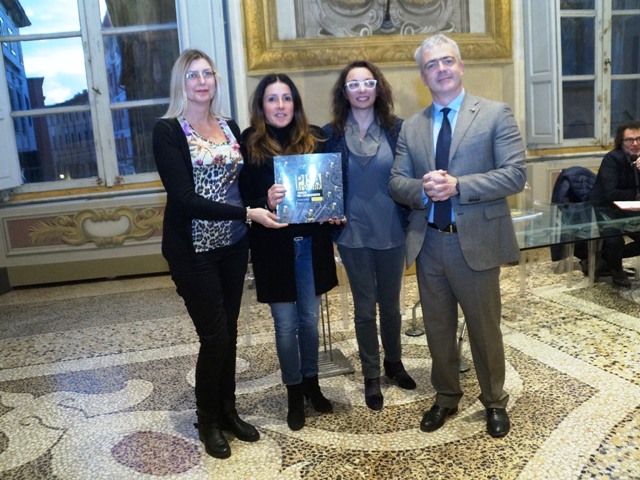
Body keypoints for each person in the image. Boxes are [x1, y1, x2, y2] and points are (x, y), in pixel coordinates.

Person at [389, 34, 526, 438]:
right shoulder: (412, 127)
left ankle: (494, 400)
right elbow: (396, 182)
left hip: (476, 242)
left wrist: (459, 185)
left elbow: (515, 174)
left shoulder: (495, 114)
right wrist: (423, 189)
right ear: (423, 76)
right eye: (431, 65)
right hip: (429, 242)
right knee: (437, 328)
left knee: (484, 329)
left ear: (461, 66)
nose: (441, 69)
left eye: (447, 61)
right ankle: (446, 396)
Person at [152, 49, 285, 459]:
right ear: (181, 83)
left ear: (215, 80)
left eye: (207, 73)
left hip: (233, 245)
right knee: (214, 337)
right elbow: (184, 198)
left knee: (229, 332)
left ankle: (228, 410)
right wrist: (247, 213)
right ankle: (207, 420)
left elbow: (239, 188)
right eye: (192, 75)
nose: (201, 81)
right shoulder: (168, 130)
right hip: (193, 251)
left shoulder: (229, 126)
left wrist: (262, 200)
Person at [239, 73, 338, 431]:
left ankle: (312, 383)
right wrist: (264, 199)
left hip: (310, 244)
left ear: (295, 103)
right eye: (272, 99)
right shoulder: (248, 143)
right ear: (261, 105)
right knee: (285, 326)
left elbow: (330, 189)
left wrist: (333, 208)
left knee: (309, 321)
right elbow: (241, 199)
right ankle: (294, 392)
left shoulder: (316, 139)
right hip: (273, 249)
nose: (280, 106)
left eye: (286, 98)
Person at [323, 61, 415, 411]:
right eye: (354, 84)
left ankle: (394, 363)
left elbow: (411, 174)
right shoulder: (330, 134)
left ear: (378, 88)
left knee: (391, 305)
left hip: (392, 228)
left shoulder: (398, 130)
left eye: (368, 82)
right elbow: (322, 184)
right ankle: (371, 375)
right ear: (344, 92)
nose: (361, 89)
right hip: (352, 233)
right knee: (364, 308)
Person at [588, 120, 640, 287]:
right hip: (605, 207)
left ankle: (605, 258)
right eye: (629, 140)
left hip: (632, 207)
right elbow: (611, 193)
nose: (635, 144)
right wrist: (637, 195)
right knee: (614, 240)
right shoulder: (612, 158)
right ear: (621, 142)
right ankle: (615, 269)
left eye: (639, 139)